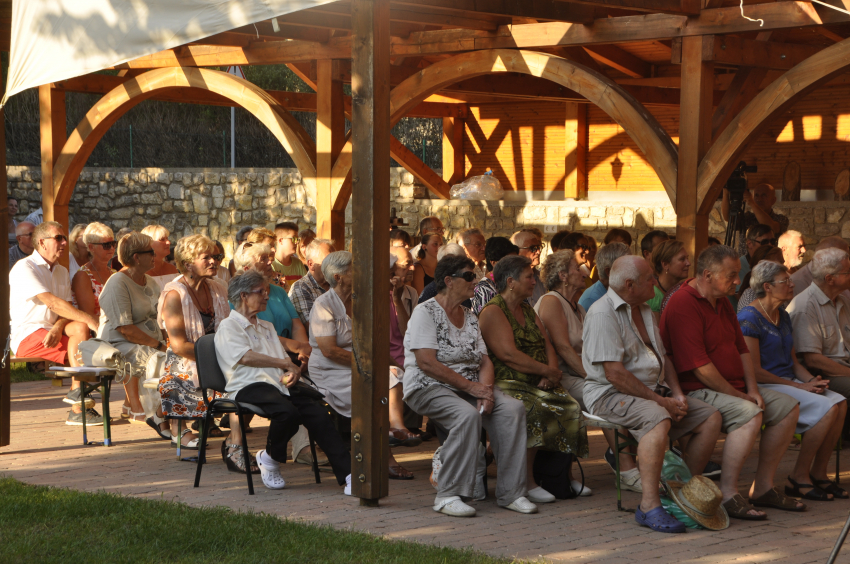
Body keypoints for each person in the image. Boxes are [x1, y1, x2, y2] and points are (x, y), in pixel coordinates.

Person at [661, 244, 802, 519]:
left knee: (788, 407)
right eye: (732, 275)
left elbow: (742, 349)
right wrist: (741, 397)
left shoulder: (723, 301)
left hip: (732, 387)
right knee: (750, 413)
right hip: (697, 389)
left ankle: (762, 487)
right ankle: (728, 493)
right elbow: (700, 368)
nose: (739, 281)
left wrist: (751, 389)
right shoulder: (683, 303)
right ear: (707, 275)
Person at [583, 256, 722, 533]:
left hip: (650, 391)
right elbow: (615, 374)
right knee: (658, 417)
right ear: (630, 285)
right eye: (650, 279)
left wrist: (678, 395)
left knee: (710, 417)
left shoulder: (645, 309)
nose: (656, 282)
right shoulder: (602, 313)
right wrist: (661, 401)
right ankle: (649, 505)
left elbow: (663, 358)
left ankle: (683, 492)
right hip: (609, 393)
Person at [403, 254, 535, 517]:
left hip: (469, 386)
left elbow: (484, 360)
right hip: (428, 385)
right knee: (466, 416)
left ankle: (511, 493)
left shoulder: (470, 316)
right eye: (468, 275)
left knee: (512, 410)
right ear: (449, 281)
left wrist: (485, 392)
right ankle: (448, 495)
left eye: (475, 275)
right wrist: (472, 389)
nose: (475, 280)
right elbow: (426, 362)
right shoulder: (425, 312)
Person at [215, 270, 353, 492]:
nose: (267, 296)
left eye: (266, 291)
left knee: (317, 413)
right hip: (247, 386)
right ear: (243, 296)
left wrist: (294, 372)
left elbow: (282, 361)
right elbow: (245, 357)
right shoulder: (228, 326)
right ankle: (271, 458)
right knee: (287, 413)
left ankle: (348, 475)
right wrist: (284, 365)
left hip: (278, 385)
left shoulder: (266, 326)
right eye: (261, 292)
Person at [479, 255, 589, 505]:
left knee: (569, 407)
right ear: (510, 282)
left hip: (539, 379)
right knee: (535, 409)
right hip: (509, 381)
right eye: (529, 276)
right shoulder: (494, 311)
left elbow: (547, 344)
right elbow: (508, 355)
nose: (535, 280)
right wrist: (546, 372)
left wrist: (551, 371)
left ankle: (561, 476)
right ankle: (527, 481)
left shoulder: (528, 308)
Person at [739, 261, 847, 501]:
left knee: (839, 403)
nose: (791, 284)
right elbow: (755, 371)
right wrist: (800, 386)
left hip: (788, 381)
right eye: (785, 281)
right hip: (766, 384)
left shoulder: (782, 315)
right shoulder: (748, 318)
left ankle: (818, 474)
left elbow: (794, 362)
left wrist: (812, 380)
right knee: (827, 408)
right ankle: (799, 477)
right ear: (767, 287)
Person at [308, 251, 418, 479]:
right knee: (376, 384)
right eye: (353, 269)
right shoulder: (323, 305)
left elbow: (375, 343)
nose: (361, 273)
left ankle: (394, 431)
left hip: (361, 363)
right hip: (331, 368)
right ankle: (386, 452)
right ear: (338, 277)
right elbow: (329, 351)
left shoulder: (361, 299)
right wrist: (369, 364)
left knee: (393, 374)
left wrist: (397, 365)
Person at [10, 221, 99, 425]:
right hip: (27, 334)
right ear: (42, 242)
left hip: (52, 330)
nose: (64, 243)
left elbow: (66, 308)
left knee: (80, 328)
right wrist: (92, 320)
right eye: (58, 238)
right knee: (87, 353)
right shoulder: (24, 267)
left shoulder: (61, 270)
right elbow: (52, 302)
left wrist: (59, 327)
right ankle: (79, 408)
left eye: (64, 238)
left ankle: (78, 393)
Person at [157, 235, 234, 451]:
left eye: (216, 256)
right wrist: (216, 359)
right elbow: (179, 345)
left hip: (216, 353)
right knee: (180, 373)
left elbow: (227, 330)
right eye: (206, 257)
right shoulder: (174, 294)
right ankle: (177, 427)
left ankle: (235, 437)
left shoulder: (218, 287)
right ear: (188, 263)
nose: (214, 262)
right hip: (186, 356)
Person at [97, 231, 169, 438]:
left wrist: (168, 340)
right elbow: (125, 328)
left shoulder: (150, 282)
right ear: (136, 257)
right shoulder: (117, 282)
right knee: (162, 359)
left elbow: (159, 318)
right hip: (117, 344)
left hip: (149, 341)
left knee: (179, 357)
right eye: (151, 253)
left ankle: (167, 415)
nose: (155, 257)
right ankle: (161, 417)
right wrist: (159, 346)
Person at [787, 247, 850, 404]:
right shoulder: (805, 307)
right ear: (830, 279)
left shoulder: (843, 301)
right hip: (824, 375)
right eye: (847, 272)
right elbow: (814, 361)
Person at [231, 242, 311, 360]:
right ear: (247, 269)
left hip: (294, 356)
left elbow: (296, 325)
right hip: (266, 360)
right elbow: (258, 335)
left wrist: (304, 353)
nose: (270, 262)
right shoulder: (239, 298)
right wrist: (298, 347)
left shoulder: (279, 291)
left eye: (268, 258)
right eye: (263, 259)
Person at [722, 182, 789, 256]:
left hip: (768, 262)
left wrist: (752, 203)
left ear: (773, 200)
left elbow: (771, 227)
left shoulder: (781, 219)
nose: (759, 199)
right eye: (756, 195)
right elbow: (728, 218)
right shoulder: (748, 217)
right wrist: (725, 193)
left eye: (764, 195)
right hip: (746, 264)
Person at [71, 223, 117, 320]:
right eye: (107, 245)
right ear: (91, 247)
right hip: (98, 329)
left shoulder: (114, 273)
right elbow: (88, 314)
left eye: (113, 244)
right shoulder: (83, 276)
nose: (112, 248)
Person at [288, 238, 335, 332]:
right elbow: (314, 328)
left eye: (334, 260)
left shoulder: (336, 283)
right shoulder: (301, 287)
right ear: (311, 264)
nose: (333, 265)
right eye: (327, 261)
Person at [471, 237, 519, 315]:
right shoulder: (483, 290)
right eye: (510, 262)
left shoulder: (513, 284)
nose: (515, 266)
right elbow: (484, 323)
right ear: (494, 263)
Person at [578, 242, 631, 312]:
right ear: (609, 272)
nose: (631, 271)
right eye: (626, 266)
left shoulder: (618, 291)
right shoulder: (592, 299)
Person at [736, 245, 784, 313]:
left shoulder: (776, 291)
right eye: (779, 264)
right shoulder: (751, 296)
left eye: (783, 263)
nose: (784, 268)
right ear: (763, 268)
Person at [647, 240, 690, 314]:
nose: (688, 263)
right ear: (665, 264)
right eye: (682, 259)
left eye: (687, 258)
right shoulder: (652, 295)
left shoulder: (685, 291)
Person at [510, 229, 546, 306]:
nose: (538, 252)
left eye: (539, 247)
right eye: (533, 248)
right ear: (517, 251)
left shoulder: (541, 278)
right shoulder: (510, 280)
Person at [737, 224, 776, 292]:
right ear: (750, 243)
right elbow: (740, 296)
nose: (770, 245)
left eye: (772, 241)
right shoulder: (739, 266)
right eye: (764, 242)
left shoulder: (771, 264)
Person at [141, 225, 179, 289]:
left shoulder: (172, 269)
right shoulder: (140, 272)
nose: (168, 242)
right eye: (162, 239)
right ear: (149, 243)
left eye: (167, 238)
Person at [272, 222, 308, 288]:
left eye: (297, 239)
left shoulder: (298, 263)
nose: (297, 242)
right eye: (294, 238)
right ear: (281, 240)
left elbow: (307, 286)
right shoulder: (271, 265)